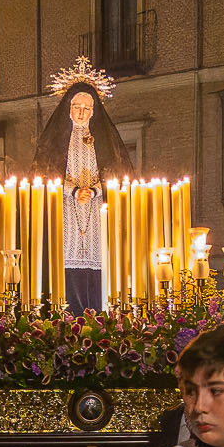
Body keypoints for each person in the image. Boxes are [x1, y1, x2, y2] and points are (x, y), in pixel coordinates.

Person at [31, 69, 129, 314]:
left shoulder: (104, 140)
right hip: (64, 209)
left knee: (99, 259)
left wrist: (95, 191)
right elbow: (44, 173)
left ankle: (100, 313)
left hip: (97, 210)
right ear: (68, 108)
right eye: (77, 107)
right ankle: (67, 312)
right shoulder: (55, 140)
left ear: (94, 111)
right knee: (65, 257)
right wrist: (73, 191)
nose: (82, 113)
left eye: (87, 108)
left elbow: (117, 173)